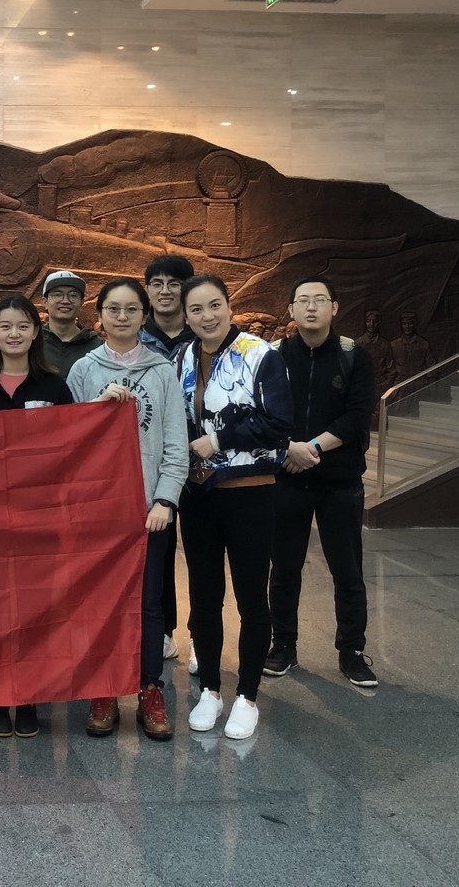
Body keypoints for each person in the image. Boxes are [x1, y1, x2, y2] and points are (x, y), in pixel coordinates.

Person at [67, 277, 189, 740]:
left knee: (149, 603)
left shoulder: (162, 371)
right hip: (98, 509)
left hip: (148, 510)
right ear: (99, 315)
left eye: (131, 309)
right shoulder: (83, 370)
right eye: (113, 309)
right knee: (99, 602)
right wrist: (96, 408)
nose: (122, 317)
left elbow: (176, 442)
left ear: (144, 315)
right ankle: (102, 689)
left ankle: (148, 688)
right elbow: (68, 439)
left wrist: (165, 499)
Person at [176, 274, 291, 741]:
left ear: (228, 305)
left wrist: (219, 440)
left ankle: (247, 695)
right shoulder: (182, 357)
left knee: (250, 596)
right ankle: (210, 688)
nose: (207, 316)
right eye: (196, 309)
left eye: (214, 305)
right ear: (186, 316)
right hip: (198, 495)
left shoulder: (260, 354)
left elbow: (279, 423)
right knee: (204, 596)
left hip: (249, 492)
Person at [0, 294, 73, 739]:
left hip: (38, 519)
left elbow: (72, 446)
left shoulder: (54, 387)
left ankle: (28, 697)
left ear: (35, 332)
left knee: (34, 610)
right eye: (5, 326)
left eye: (23, 326)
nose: (14, 334)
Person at [267, 279, 378, 687]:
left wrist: (309, 448)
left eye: (319, 300)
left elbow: (357, 417)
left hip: (339, 482)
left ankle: (352, 652)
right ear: (291, 310)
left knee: (347, 571)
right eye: (303, 301)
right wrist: (287, 448)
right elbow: (263, 411)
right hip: (288, 480)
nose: (311, 307)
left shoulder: (354, 356)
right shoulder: (274, 357)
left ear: (334, 307)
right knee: (284, 569)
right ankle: (283, 645)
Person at [140, 254, 197, 669]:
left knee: (202, 552)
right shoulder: (137, 339)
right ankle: (163, 630)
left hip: (205, 461)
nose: (164, 291)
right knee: (158, 552)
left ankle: (203, 635)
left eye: (173, 283)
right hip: (155, 464)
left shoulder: (203, 333)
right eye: (156, 283)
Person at [39, 270, 101, 376]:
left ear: (81, 303)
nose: (65, 301)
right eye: (58, 295)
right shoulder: (33, 341)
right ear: (45, 302)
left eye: (73, 295)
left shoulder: (97, 346)